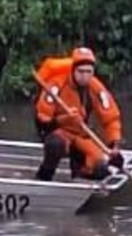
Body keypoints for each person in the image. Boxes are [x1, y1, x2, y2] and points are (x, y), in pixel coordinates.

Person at [33, 45, 125, 181]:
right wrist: (65, 119)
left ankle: (81, 172)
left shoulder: (96, 88)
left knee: (101, 168)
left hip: (82, 134)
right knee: (55, 144)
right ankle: (44, 176)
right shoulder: (56, 85)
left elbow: (111, 118)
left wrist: (114, 145)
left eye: (89, 72)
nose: (85, 76)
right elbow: (42, 120)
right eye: (81, 71)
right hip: (60, 132)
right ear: (73, 70)